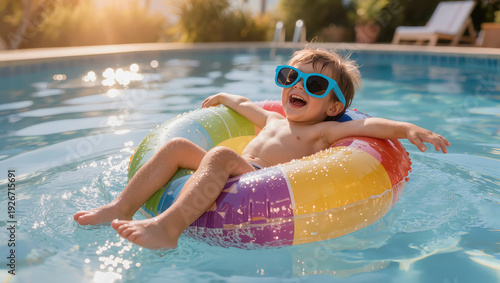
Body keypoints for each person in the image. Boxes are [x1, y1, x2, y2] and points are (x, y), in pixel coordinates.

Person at [74, 47, 450, 250]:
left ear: (335, 107)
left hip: (259, 177)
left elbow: (372, 126)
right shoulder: (272, 119)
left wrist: (412, 129)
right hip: (241, 165)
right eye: (290, 77)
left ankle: (167, 228)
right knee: (176, 145)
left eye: (315, 85)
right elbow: (245, 104)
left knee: (219, 156)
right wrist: (224, 96)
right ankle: (119, 207)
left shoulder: (322, 133)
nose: (298, 87)